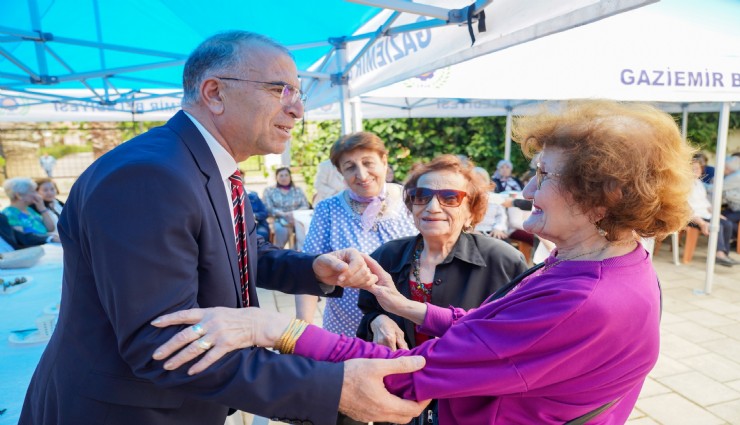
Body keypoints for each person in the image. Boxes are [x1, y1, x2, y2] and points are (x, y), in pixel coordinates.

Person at [151, 100, 695, 424]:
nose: (527, 188)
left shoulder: (585, 298)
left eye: (544, 175)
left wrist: (271, 328)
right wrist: (402, 305)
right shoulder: (603, 267)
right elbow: (493, 331)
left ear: (602, 197)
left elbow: (406, 374)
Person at [20, 31, 426, 425]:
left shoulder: (201, 165)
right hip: (128, 411)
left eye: (297, 93)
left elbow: (236, 253)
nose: (297, 109)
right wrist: (331, 388)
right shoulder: (150, 176)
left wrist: (311, 269)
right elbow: (163, 342)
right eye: (279, 90)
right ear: (215, 93)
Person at [356, 155, 527, 423]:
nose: (432, 207)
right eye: (421, 196)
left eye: (450, 197)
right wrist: (378, 321)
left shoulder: (503, 261)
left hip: (469, 401)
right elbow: (368, 308)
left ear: (471, 210)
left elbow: (518, 338)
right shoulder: (386, 255)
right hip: (400, 393)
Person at [294, 131, 417, 342]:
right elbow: (308, 271)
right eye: (350, 167)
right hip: (347, 329)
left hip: (410, 324)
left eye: (368, 163)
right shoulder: (328, 209)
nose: (361, 174)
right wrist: (301, 333)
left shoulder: (413, 200)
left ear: (384, 162)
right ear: (340, 172)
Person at [688, 158, 738, 266]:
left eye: (698, 168)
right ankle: (719, 254)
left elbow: (706, 203)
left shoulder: (699, 184)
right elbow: (686, 209)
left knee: (727, 223)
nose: (697, 171)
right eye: (693, 169)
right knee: (717, 225)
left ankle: (724, 254)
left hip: (705, 214)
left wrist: (717, 214)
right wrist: (701, 222)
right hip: (693, 216)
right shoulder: (684, 185)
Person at [263, 166, 310, 248]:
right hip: (278, 218)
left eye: (286, 175)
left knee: (305, 231)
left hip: (297, 218)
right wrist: (284, 214)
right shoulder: (269, 190)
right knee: (281, 230)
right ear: (276, 177)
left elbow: (305, 205)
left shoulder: (297, 190)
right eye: (281, 175)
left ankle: (298, 253)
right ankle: (279, 253)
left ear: (290, 177)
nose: (284, 178)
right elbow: (268, 208)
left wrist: (293, 214)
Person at [472, 166, 508, 239]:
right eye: (475, 179)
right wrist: (472, 230)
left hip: (492, 230)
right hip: (473, 231)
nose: (478, 182)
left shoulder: (496, 198)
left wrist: (498, 228)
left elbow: (501, 216)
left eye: (481, 179)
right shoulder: (467, 198)